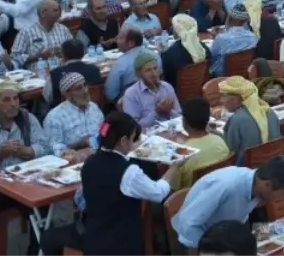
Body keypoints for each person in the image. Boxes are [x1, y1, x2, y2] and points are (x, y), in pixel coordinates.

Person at [41, 111, 177, 256]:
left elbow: (80, 199)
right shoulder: (129, 172)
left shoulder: (89, 163)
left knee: (48, 237)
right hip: (123, 242)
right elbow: (158, 193)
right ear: (124, 141)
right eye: (133, 140)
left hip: (94, 235)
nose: (134, 145)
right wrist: (174, 167)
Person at [0, 80, 50, 256]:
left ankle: (35, 253)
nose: (13, 104)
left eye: (15, 98)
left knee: (44, 211)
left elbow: (45, 146)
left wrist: (27, 151)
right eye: (6, 99)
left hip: (27, 179)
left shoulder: (28, 119)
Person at [172, 155, 284, 254]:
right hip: (191, 242)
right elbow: (188, 224)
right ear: (267, 184)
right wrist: (208, 251)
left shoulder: (256, 188)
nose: (281, 198)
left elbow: (240, 219)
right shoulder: (228, 186)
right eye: (283, 193)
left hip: (223, 239)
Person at [218, 76, 279, 165]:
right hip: (272, 165)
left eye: (223, 96)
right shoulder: (269, 111)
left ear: (237, 99)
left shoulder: (236, 120)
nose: (220, 100)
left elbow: (229, 153)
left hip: (244, 170)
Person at [173, 98, 231, 191]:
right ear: (208, 119)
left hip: (190, 198)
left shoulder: (181, 154)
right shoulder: (220, 141)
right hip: (219, 190)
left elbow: (173, 188)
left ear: (184, 122)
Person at [45, 73, 105, 156]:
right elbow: (54, 150)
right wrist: (79, 145)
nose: (85, 91)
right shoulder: (55, 116)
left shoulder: (94, 107)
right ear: (67, 94)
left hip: (100, 154)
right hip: (75, 161)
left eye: (85, 85)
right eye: (78, 88)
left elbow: (104, 129)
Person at [121, 53, 182, 129]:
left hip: (171, 132)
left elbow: (180, 118)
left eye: (155, 68)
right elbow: (134, 128)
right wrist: (156, 112)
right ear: (139, 74)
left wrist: (169, 111)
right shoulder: (131, 94)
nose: (154, 74)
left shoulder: (167, 87)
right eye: (148, 70)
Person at [45, 39, 103, 106]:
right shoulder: (94, 69)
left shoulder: (56, 73)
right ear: (83, 53)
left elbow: (47, 97)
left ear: (63, 55)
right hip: (92, 108)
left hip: (64, 113)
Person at [163, 13, 212, 89]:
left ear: (177, 30)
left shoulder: (169, 54)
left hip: (177, 93)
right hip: (201, 89)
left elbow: (166, 77)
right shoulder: (204, 49)